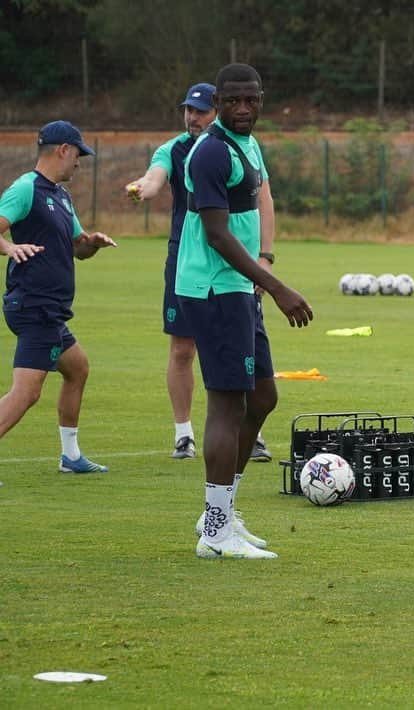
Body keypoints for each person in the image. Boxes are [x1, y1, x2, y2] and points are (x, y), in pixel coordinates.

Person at [178, 63, 313, 559]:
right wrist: (276, 287)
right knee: (228, 404)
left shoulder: (248, 144)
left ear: (261, 99)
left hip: (239, 288)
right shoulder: (210, 151)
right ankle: (215, 533)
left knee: (262, 398)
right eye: (232, 101)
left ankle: (222, 510)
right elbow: (216, 234)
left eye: (250, 100)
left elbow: (257, 208)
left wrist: (263, 271)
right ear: (217, 100)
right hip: (214, 289)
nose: (242, 109)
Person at [126, 83, 273, 464]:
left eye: (199, 111)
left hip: (235, 267)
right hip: (193, 263)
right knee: (182, 349)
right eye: (187, 110)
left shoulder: (244, 144)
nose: (192, 117)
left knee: (247, 370)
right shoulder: (180, 150)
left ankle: (247, 439)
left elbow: (264, 199)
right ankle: (183, 434)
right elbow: (156, 178)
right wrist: (144, 187)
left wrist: (265, 258)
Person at [0, 121, 117, 473]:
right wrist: (8, 247)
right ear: (62, 150)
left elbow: (77, 248)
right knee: (26, 393)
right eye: (78, 154)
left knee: (77, 368)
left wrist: (91, 244)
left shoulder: (61, 196)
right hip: (34, 304)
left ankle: (71, 456)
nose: (80, 162)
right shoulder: (26, 189)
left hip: (51, 310)